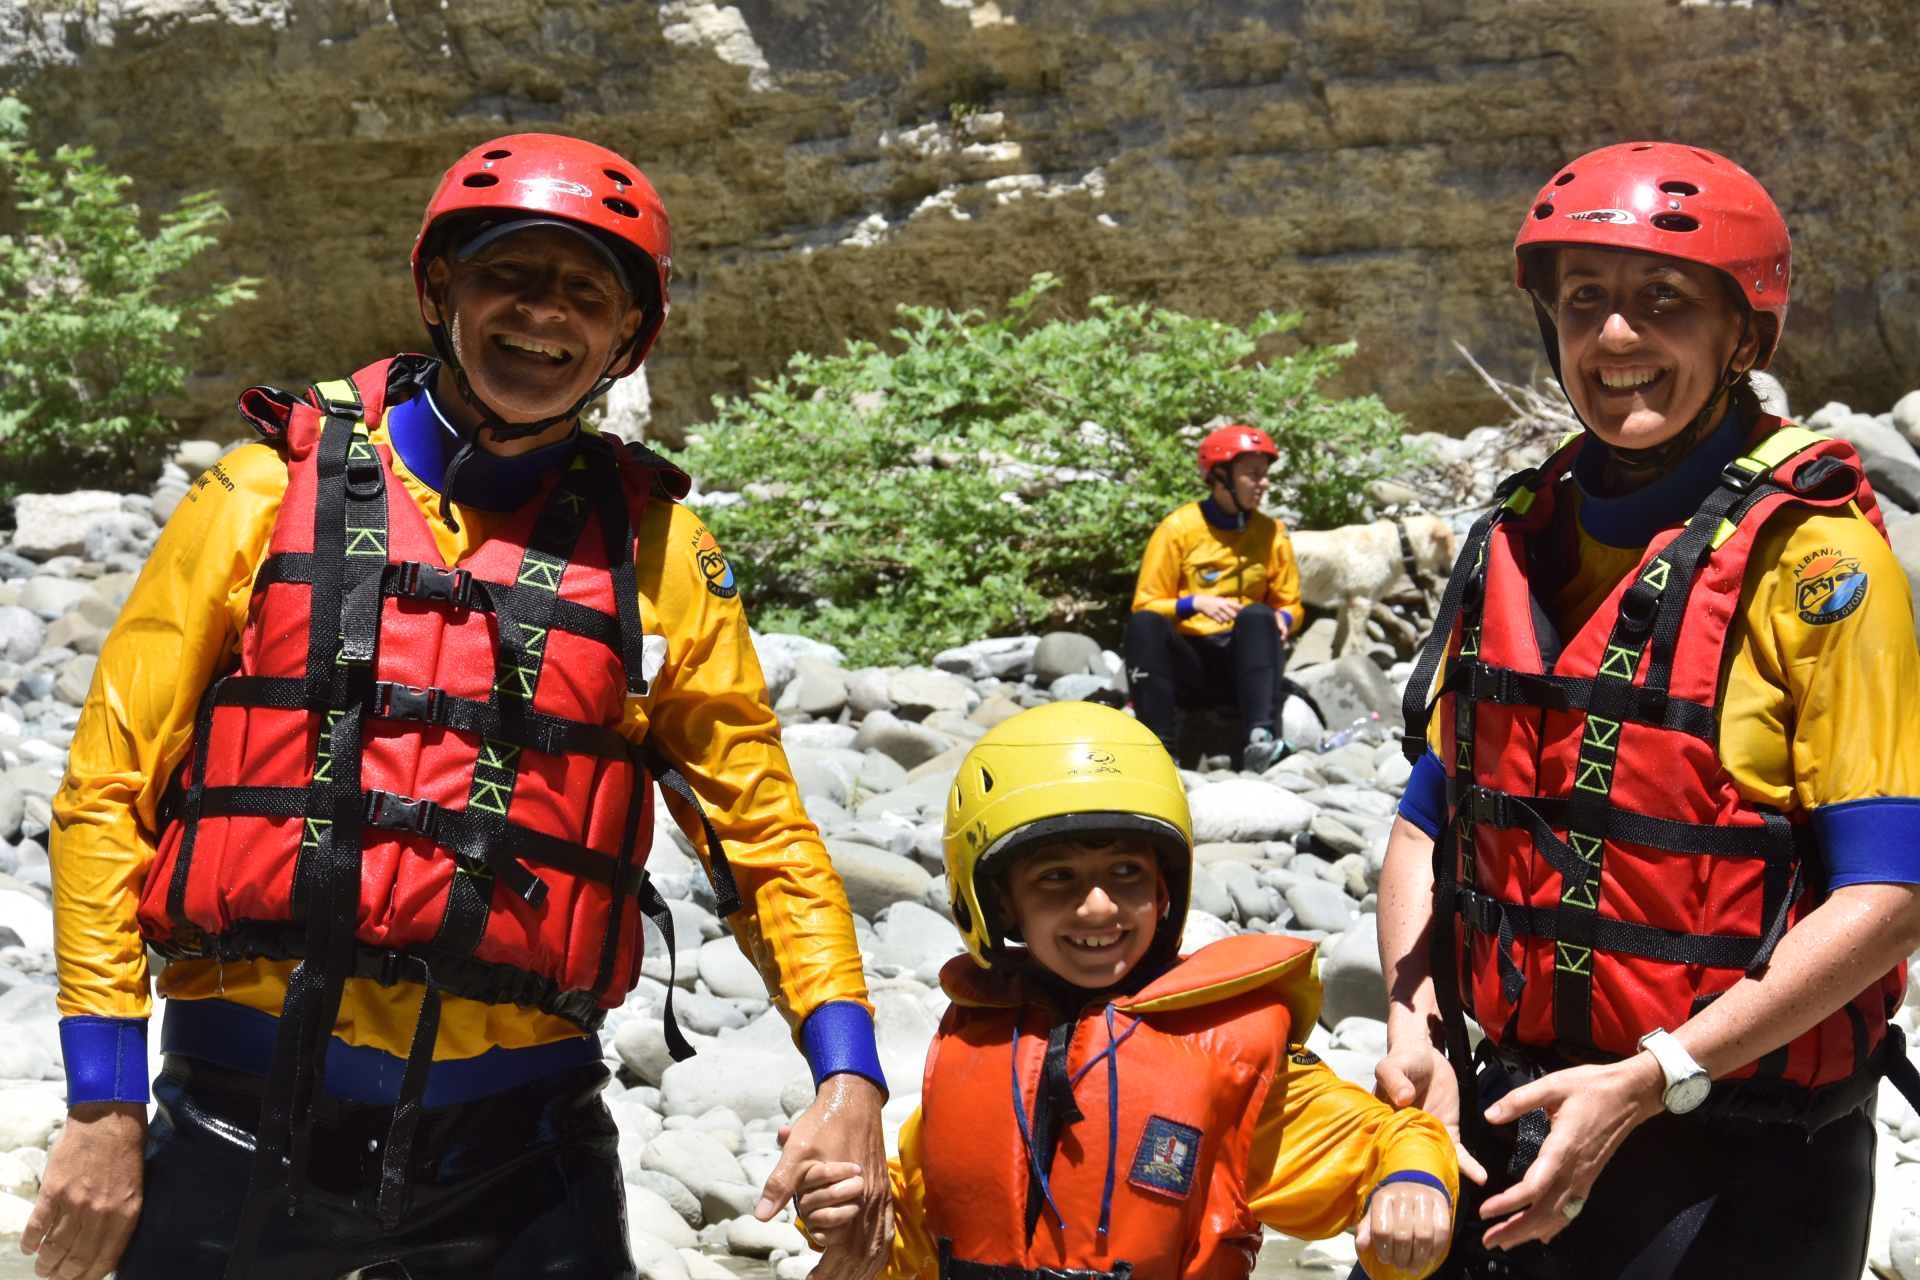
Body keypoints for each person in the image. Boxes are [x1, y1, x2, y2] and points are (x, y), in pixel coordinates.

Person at [24, 134, 892, 1280]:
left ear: (630, 336)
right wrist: (101, 1103)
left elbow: (766, 840)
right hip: (240, 1117)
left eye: (589, 292)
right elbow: (105, 796)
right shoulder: (256, 496)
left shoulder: (660, 554)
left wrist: (851, 1079)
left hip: (522, 1148)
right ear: (441, 289)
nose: (546, 314)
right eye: (512, 275)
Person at [1375, 141, 1920, 1279]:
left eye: (1662, 301)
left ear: (1742, 337)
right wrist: (1413, 1022)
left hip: (1738, 1150)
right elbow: (1433, 818)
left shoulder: (1820, 562)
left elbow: (1890, 894)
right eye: (1585, 302)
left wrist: (1651, 1074)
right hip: (1515, 1109)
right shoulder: (1522, 537)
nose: (1616, 337)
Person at [795, 702, 1459, 1280]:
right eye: (1056, 877)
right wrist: (844, 1208)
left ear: (1165, 888)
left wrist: (1412, 1183)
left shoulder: (1228, 1056)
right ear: (997, 900)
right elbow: (911, 1231)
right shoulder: (974, 1040)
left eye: (1125, 873)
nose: (1096, 908)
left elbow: (1384, 1140)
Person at [1127, 425, 1305, 772]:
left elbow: (1291, 604)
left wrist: (1282, 620)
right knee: (1143, 625)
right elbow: (1145, 603)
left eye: (1265, 474)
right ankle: (1161, 754)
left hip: (1245, 666)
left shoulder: (1273, 533)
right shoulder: (1177, 529)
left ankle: (1259, 741)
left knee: (1258, 614)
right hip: (1189, 665)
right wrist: (1192, 603)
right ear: (1221, 476)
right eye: (1253, 475)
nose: (1264, 483)